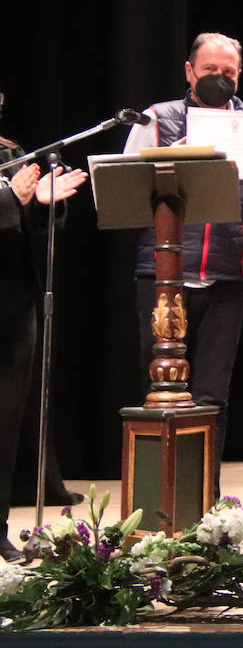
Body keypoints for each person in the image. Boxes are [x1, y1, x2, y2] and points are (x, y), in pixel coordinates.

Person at [122, 32, 243, 496]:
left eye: (229, 72)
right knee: (157, 392)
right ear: (189, 71)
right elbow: (124, 192)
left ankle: (204, 501)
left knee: (213, 397)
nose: (220, 79)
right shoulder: (157, 120)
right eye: (210, 70)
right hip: (161, 278)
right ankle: (157, 499)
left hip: (225, 278)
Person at [1, 106, 86, 563]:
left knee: (6, 424)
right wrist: (11, 200)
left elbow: (30, 228)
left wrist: (42, 205)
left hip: (12, 307)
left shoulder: (11, 153)